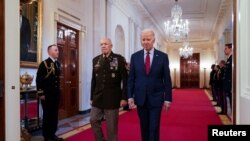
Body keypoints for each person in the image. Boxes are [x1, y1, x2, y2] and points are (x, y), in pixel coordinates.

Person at [127, 29, 172, 141]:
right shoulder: (135, 56)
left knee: (154, 127)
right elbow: (131, 79)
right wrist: (130, 96)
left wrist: (168, 99)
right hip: (140, 99)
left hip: (156, 98)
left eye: (148, 39)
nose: (145, 42)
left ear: (153, 40)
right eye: (143, 39)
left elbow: (167, 79)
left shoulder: (162, 56)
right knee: (144, 127)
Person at [90, 37, 128, 141]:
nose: (103, 46)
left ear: (111, 46)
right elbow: (94, 80)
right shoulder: (96, 60)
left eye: (106, 44)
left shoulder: (119, 59)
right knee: (93, 120)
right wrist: (91, 97)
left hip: (112, 98)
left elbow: (125, 80)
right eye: (101, 44)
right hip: (98, 97)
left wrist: (124, 97)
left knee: (111, 127)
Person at [36, 44, 63, 141]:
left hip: (55, 95)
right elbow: (39, 80)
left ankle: (52, 134)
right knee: (47, 116)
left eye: (57, 50)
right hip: (47, 95)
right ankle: (47, 136)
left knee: (54, 115)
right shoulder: (44, 64)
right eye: (56, 50)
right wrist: (41, 93)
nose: (58, 52)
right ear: (50, 52)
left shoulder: (58, 64)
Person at [224, 43, 232, 111]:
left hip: (230, 84)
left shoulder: (232, 58)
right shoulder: (228, 58)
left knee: (231, 99)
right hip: (228, 83)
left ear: (231, 49)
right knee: (229, 98)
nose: (224, 50)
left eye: (226, 48)